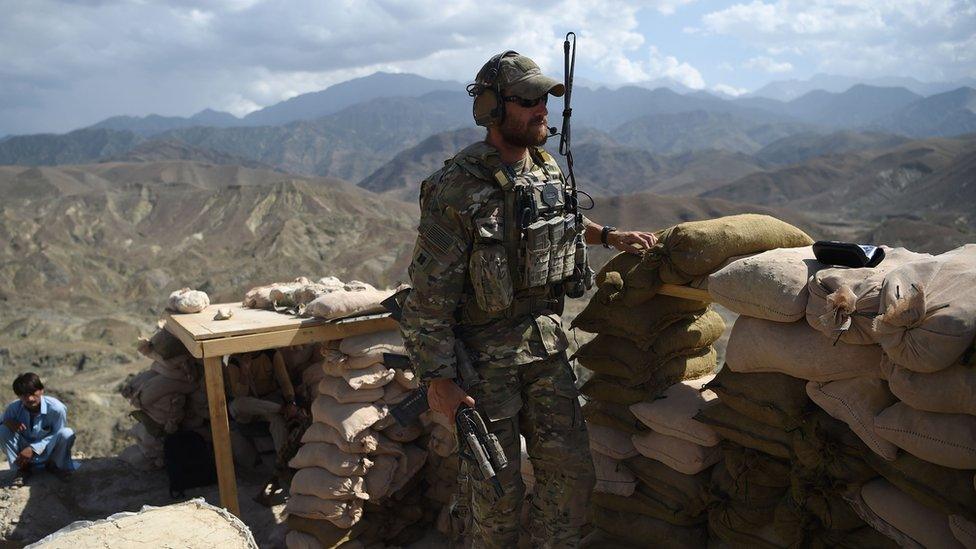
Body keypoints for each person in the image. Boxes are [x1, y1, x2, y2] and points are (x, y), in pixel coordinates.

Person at [399, 51, 657, 548]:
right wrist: (439, 380)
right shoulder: (458, 188)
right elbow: (427, 298)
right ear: (492, 109)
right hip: (482, 365)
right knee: (495, 496)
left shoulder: (545, 167)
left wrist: (609, 237)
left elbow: (553, 224)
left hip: (544, 350)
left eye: (545, 99)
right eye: (528, 101)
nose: (542, 110)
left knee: (571, 478)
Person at [1, 373, 78, 484]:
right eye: (24, 395)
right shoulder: (14, 408)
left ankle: (56, 465)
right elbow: (2, 422)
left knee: (67, 433)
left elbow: (58, 433)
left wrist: (33, 449)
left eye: (33, 393)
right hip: (23, 453)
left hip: (48, 450)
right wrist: (7, 422)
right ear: (18, 396)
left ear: (41, 390)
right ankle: (22, 470)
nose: (29, 399)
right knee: (3, 430)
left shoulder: (56, 408)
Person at [226, 349, 303, 453]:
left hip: (269, 402)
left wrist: (291, 402)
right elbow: (240, 395)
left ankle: (283, 460)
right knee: (237, 404)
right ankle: (281, 409)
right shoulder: (235, 361)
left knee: (278, 422)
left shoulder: (271, 354)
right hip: (250, 407)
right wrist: (244, 373)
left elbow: (284, 381)